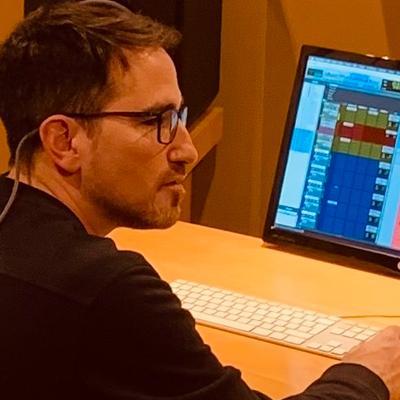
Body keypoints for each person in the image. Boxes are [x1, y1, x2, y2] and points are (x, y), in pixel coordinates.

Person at [0, 1, 398, 399]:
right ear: (64, 141)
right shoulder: (108, 289)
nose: (186, 150)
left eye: (178, 117)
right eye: (155, 120)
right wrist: (367, 374)